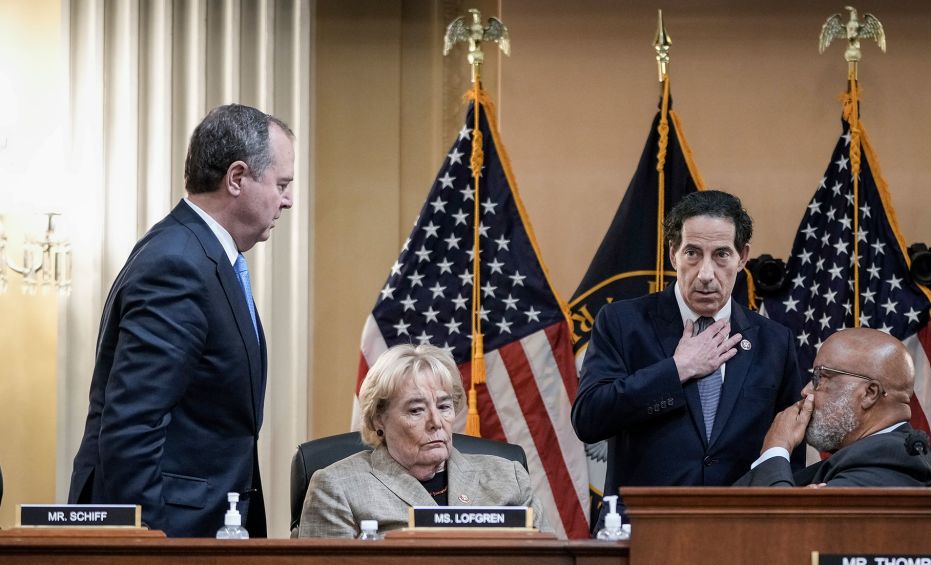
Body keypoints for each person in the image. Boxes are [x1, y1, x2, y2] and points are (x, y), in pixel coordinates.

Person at [69, 104, 295, 536]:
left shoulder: (197, 253)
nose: (287, 199)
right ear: (236, 178)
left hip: (199, 528)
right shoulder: (178, 264)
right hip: (169, 535)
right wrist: (155, 554)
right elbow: (133, 426)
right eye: (281, 184)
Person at [572, 190, 803, 499]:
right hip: (644, 526)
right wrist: (677, 370)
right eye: (692, 253)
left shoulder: (774, 341)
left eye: (721, 254)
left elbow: (789, 450)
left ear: (742, 258)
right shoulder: (622, 322)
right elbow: (589, 419)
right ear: (673, 254)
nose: (706, 274)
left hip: (742, 527)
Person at [298, 344, 550, 537]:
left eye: (444, 406)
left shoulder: (508, 478)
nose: (436, 421)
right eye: (416, 410)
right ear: (378, 419)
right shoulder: (337, 488)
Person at [738, 327, 931, 487]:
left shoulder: (891, 461)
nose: (805, 391)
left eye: (821, 378)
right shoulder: (859, 456)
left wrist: (775, 450)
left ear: (869, 393)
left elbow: (785, 533)